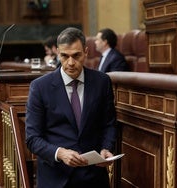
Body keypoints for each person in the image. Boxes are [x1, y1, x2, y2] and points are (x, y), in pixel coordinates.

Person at [26, 27, 117, 188]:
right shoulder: (40, 87)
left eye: (76, 55)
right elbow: (33, 139)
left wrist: (106, 148)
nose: (70, 63)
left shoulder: (102, 82)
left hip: (94, 176)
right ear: (57, 54)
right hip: (56, 177)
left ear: (86, 52)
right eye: (64, 56)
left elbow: (108, 123)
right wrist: (59, 153)